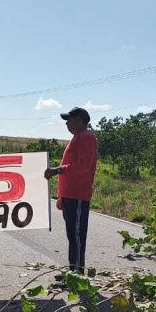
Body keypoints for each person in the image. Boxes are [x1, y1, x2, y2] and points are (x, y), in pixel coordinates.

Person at [44, 107, 98, 274]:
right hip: (71, 196)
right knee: (72, 237)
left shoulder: (86, 138)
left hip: (78, 196)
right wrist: (61, 196)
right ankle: (73, 271)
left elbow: (83, 166)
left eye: (70, 119)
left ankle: (77, 274)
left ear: (80, 120)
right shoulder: (77, 138)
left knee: (76, 237)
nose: (67, 123)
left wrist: (58, 170)